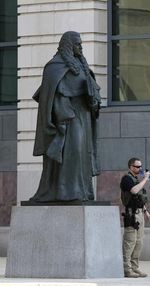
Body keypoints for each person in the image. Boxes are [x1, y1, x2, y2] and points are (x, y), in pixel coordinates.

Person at [30, 31, 101, 203]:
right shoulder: (53, 67)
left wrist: (93, 99)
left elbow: (93, 93)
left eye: (81, 44)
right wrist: (62, 115)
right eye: (77, 44)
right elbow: (50, 97)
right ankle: (65, 192)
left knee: (82, 154)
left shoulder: (83, 67)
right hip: (66, 118)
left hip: (83, 116)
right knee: (72, 151)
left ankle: (81, 192)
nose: (81, 47)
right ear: (68, 45)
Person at [120, 157, 150, 278]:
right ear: (130, 167)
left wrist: (145, 211)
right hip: (131, 214)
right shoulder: (126, 179)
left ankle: (134, 267)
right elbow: (133, 191)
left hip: (139, 213)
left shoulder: (136, 179)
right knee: (130, 242)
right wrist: (145, 179)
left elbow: (139, 198)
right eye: (137, 167)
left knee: (139, 242)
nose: (140, 169)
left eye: (140, 167)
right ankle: (126, 269)